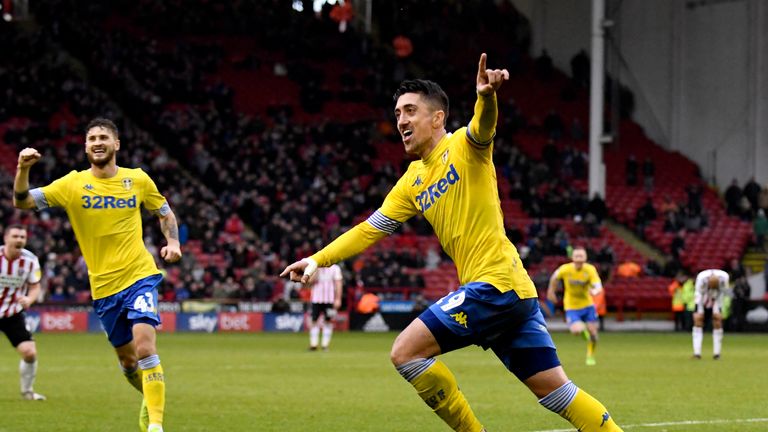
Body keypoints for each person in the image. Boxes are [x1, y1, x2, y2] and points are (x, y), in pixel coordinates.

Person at [281, 54, 622, 432]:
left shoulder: (464, 145)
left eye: (410, 111)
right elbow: (370, 228)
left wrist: (487, 97)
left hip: (495, 285)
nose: (401, 121)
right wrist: (318, 259)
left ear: (437, 118)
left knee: (405, 353)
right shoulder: (412, 180)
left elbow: (484, 125)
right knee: (557, 393)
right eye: (397, 114)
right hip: (514, 294)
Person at [13, 118, 181, 432]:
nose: (98, 142)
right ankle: (151, 396)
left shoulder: (138, 179)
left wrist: (172, 241)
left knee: (145, 347)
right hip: (103, 288)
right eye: (92, 138)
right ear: (86, 146)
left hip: (139, 275)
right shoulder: (72, 184)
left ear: (116, 144)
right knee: (129, 362)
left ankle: (156, 425)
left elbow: (163, 211)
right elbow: (21, 202)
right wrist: (23, 169)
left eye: (104, 137)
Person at [0, 224, 45, 401]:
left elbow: (35, 287)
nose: (19, 240)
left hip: (12, 313)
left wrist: (29, 299)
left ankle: (27, 391)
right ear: (6, 238)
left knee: (29, 352)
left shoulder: (30, 260)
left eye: (22, 237)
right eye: (15, 236)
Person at [547, 247, 603, 366]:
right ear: (572, 257)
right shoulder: (566, 269)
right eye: (576, 256)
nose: (579, 259)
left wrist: (596, 291)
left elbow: (598, 284)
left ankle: (590, 355)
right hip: (572, 306)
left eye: (581, 256)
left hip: (587, 305)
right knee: (576, 330)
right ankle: (583, 331)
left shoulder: (590, 269)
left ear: (585, 258)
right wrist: (551, 291)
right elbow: (554, 277)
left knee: (594, 334)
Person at [692, 269, 729, 360]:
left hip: (718, 296)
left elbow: (723, 293)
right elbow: (699, 294)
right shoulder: (701, 279)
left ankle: (717, 353)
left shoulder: (724, 278)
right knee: (698, 320)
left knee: (717, 320)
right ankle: (697, 353)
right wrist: (699, 310)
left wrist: (717, 309)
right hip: (702, 295)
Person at [307, 264, 343, 351]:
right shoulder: (314, 267)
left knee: (328, 321)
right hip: (316, 299)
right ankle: (313, 344)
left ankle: (325, 345)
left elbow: (338, 283)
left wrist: (338, 299)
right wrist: (316, 271)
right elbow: (310, 282)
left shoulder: (335, 268)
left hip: (329, 299)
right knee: (314, 320)